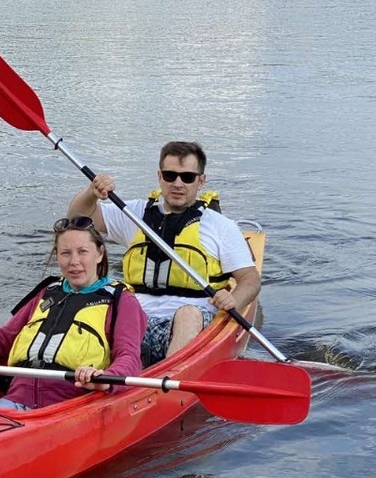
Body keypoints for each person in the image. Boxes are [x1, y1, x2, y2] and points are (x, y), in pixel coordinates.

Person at [66, 141, 261, 365]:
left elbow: (250, 280)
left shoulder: (221, 226)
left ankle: (167, 375)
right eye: (170, 176)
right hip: (136, 316)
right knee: (92, 305)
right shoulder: (134, 213)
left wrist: (233, 299)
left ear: (201, 181)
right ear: (160, 177)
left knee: (188, 314)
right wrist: (91, 193)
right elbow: (77, 219)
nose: (178, 183)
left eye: (187, 177)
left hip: (193, 318)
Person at [0, 217, 146, 411]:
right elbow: (4, 337)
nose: (74, 261)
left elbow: (129, 357)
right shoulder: (47, 292)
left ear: (99, 253)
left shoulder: (121, 300)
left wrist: (105, 378)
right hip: (17, 399)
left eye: (83, 251)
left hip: (72, 404)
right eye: (66, 253)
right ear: (57, 256)